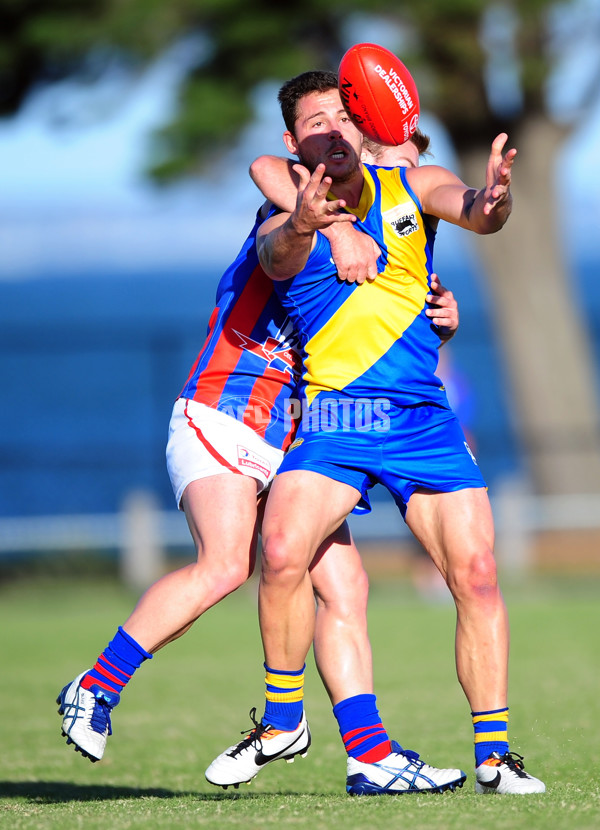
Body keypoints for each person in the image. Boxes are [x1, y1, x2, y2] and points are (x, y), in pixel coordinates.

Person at [57, 130, 463, 794]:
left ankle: (369, 756)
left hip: (295, 439)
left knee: (346, 587)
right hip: (223, 411)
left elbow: (393, 333)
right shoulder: (294, 205)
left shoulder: (385, 238)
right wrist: (328, 228)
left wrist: (440, 316)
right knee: (225, 563)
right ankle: (95, 687)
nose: (403, 168)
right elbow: (265, 170)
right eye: (392, 153)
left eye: (409, 157)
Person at [207, 70, 545, 796]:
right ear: (297, 140)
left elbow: (476, 213)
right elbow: (274, 227)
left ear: (363, 118)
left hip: (421, 416)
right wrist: (316, 222)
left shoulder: (415, 184)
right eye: (315, 120)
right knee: (282, 550)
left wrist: (495, 199)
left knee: (478, 576)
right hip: (338, 417)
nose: (331, 126)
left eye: (341, 112)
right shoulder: (286, 202)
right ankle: (281, 719)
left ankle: (494, 757)